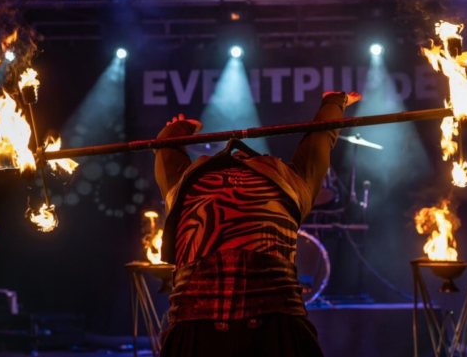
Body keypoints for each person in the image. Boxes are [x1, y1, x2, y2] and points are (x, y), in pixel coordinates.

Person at [154, 91, 362, 357]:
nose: (240, 157)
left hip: (242, 324)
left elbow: (166, 149)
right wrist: (334, 103)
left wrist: (180, 129)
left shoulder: (186, 185)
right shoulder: (289, 182)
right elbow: (320, 138)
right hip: (233, 324)